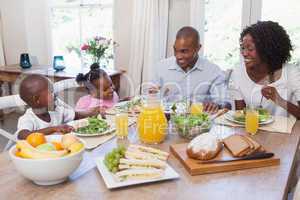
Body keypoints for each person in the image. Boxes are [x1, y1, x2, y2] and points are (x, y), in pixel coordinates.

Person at [230, 21, 300, 118]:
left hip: (287, 131)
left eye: (250, 49)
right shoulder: (238, 72)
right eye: (242, 48)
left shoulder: (291, 73)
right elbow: (240, 117)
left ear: (268, 50)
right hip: (253, 131)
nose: (244, 53)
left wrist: (279, 100)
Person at [151, 26, 229, 113]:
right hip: (168, 121)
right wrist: (152, 96)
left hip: (199, 123)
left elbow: (225, 102)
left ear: (198, 48)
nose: (178, 56)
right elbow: (151, 98)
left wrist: (217, 105)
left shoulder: (213, 71)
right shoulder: (161, 67)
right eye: (175, 50)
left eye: (184, 51)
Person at [17, 74, 104, 139]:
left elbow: (77, 115)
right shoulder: (28, 119)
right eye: (50, 92)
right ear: (37, 99)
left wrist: (94, 111)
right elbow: (23, 135)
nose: (54, 95)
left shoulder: (57, 111)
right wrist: (53, 129)